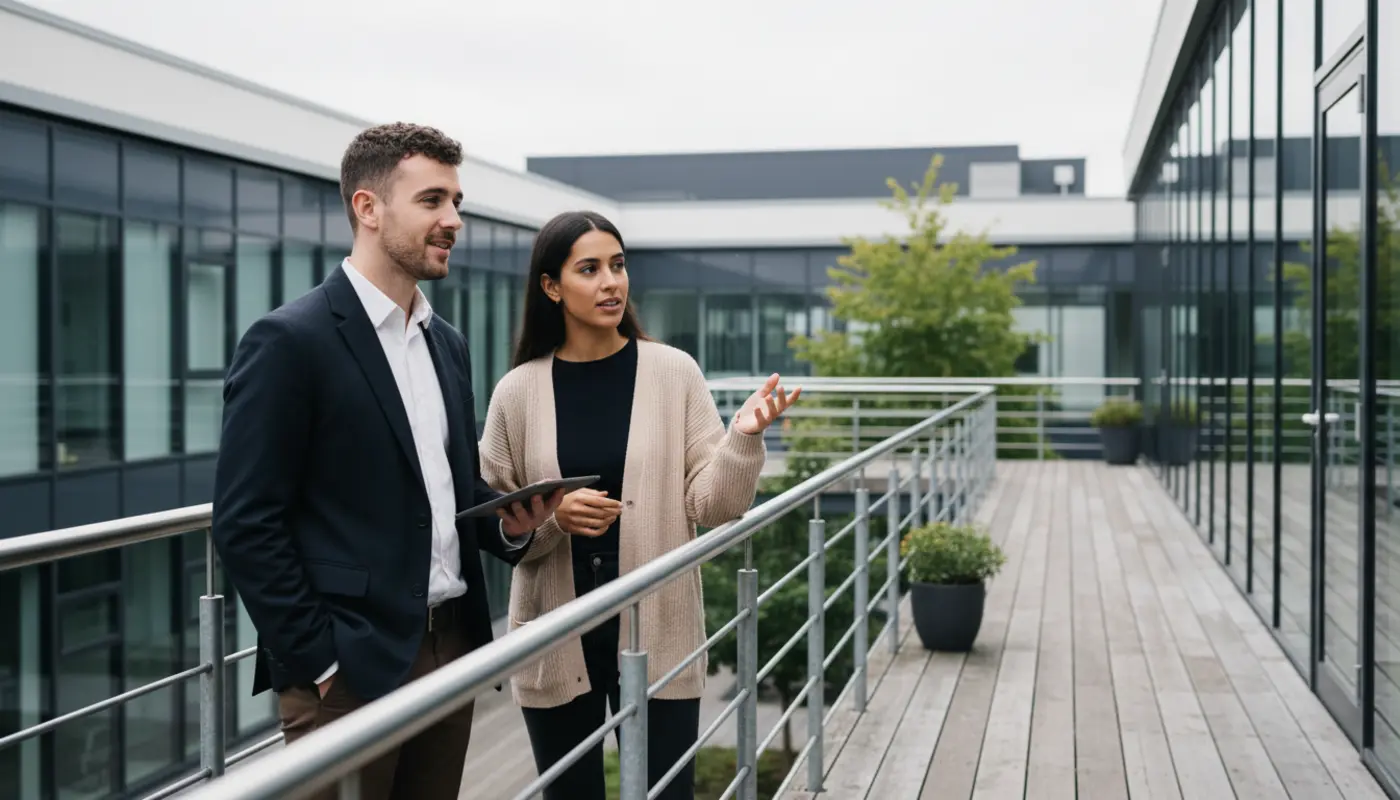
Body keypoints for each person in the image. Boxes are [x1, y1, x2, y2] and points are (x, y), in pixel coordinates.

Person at [210, 122, 561, 800]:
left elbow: (452, 491)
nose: (453, 220)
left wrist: (512, 523)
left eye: (457, 202)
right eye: (432, 201)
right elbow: (246, 520)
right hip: (347, 666)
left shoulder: (446, 344)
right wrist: (319, 660)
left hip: (450, 648)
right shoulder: (289, 341)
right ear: (367, 209)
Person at [478, 210, 799, 799]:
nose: (611, 283)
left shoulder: (674, 372)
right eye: (590, 269)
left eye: (619, 266)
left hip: (660, 631)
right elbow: (496, 520)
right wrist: (554, 520)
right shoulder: (517, 391)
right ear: (551, 287)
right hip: (554, 637)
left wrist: (743, 438)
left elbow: (714, 505)